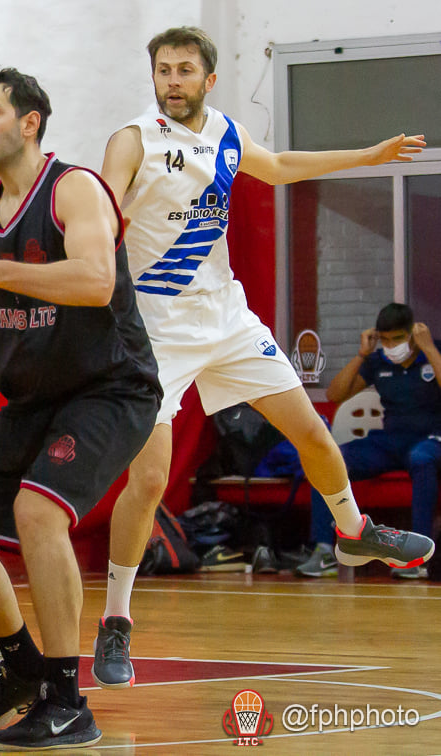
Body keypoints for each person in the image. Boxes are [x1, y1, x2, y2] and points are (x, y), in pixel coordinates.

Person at [91, 26, 435, 689]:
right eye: (163, 70)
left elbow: (277, 167)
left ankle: (353, 529)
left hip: (226, 316)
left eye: (184, 70)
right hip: (156, 329)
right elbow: (104, 208)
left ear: (208, 79)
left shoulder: (223, 132)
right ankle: (116, 619)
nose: (172, 80)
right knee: (151, 480)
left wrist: (369, 155)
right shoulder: (133, 139)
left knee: (311, 429)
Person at [0, 68, 161, 751]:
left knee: (37, 512)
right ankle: (23, 667)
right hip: (34, 398)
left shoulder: (74, 188)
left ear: (29, 123)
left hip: (110, 389)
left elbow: (94, 280)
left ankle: (67, 700)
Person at [297, 304, 441, 579]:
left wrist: (430, 349)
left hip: (431, 439)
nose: (390, 346)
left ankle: (416, 558)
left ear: (412, 334)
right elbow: (335, 393)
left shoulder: (433, 351)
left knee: (422, 458)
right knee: (330, 459)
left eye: (397, 339)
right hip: (391, 441)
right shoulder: (377, 362)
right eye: (384, 340)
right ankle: (325, 549)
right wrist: (362, 354)